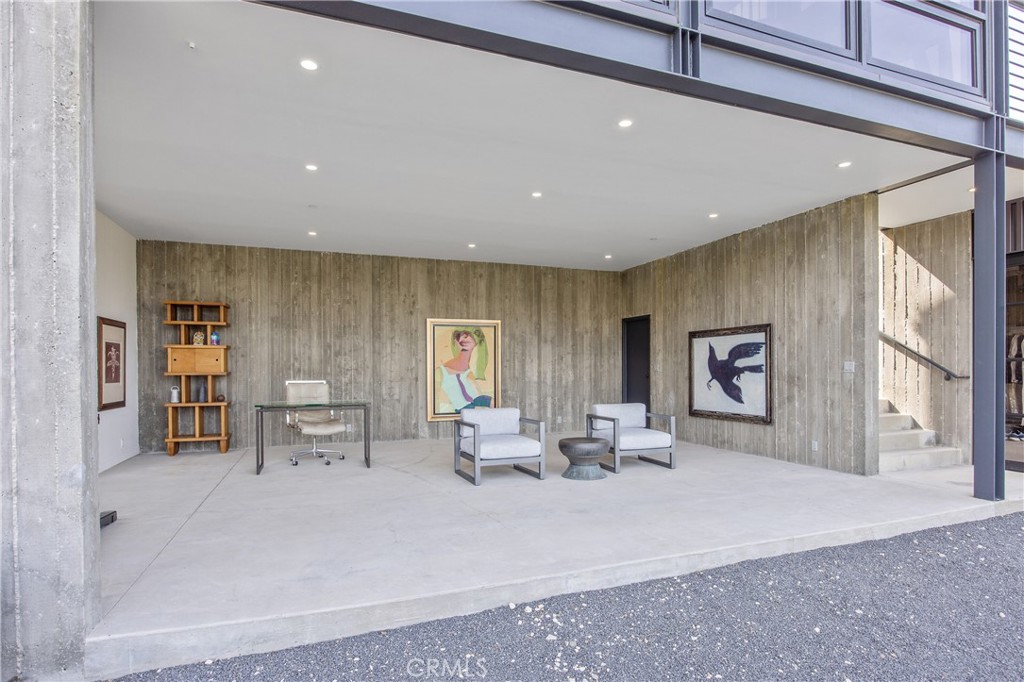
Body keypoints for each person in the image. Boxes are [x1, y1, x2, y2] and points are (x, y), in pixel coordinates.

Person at [435, 328, 492, 414]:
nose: (464, 338)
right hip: (461, 409)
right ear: (455, 341)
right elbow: (435, 401)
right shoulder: (440, 372)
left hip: (475, 404)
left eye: (469, 336)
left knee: (488, 401)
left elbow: (478, 394)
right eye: (460, 336)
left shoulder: (472, 371)